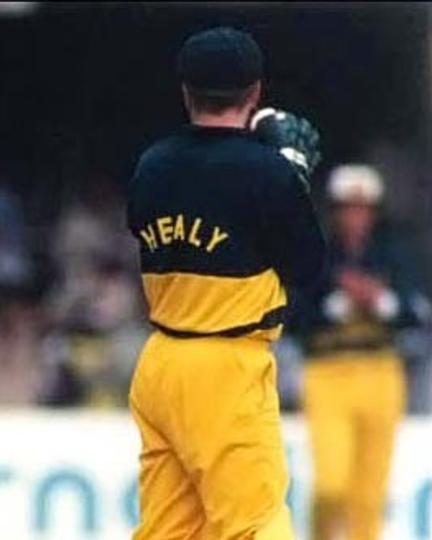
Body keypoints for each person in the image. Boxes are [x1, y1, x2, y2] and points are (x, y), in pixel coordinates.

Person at [126, 27, 326, 539]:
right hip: (226, 364)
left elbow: (183, 206)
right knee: (255, 525)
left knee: (169, 530)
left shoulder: (152, 165)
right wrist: (293, 172)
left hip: (160, 364)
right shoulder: (266, 173)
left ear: (185, 92)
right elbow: (307, 266)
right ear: (255, 92)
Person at [298, 165, 425, 540]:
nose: (355, 217)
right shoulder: (317, 255)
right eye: (347, 208)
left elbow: (414, 311)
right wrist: (338, 303)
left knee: (369, 495)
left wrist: (378, 300)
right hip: (328, 371)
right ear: (335, 211)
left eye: (363, 208)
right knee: (330, 485)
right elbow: (293, 313)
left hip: (380, 371)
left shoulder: (395, 254)